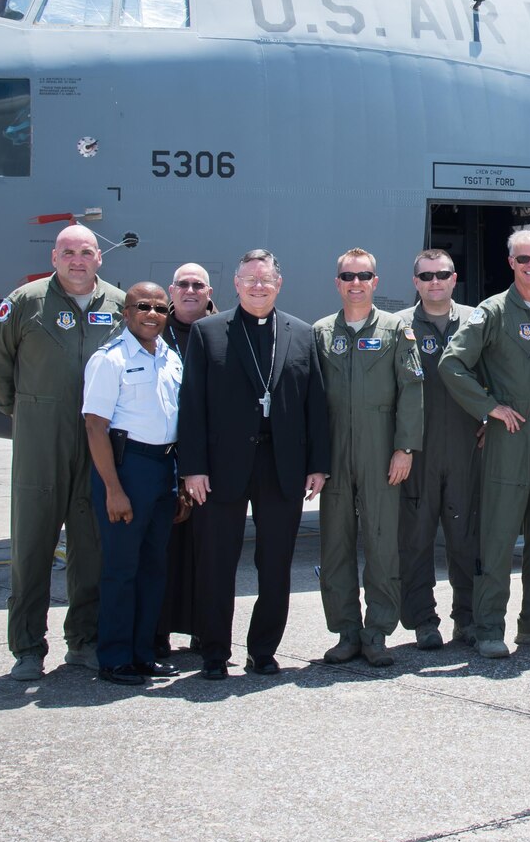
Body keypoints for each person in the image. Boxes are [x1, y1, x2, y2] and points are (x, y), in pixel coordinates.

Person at [0, 224, 124, 681]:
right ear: (54, 257)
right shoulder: (26, 302)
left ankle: (83, 641)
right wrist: (23, 410)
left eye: (86, 251)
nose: (77, 260)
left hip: (98, 441)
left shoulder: (119, 305)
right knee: (31, 545)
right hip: (41, 440)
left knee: (91, 546)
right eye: (68, 252)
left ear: (99, 257)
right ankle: (26, 647)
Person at [177, 250, 330, 680]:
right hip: (220, 466)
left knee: (276, 562)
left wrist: (318, 464)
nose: (258, 286)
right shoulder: (208, 333)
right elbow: (191, 406)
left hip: (281, 465)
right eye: (250, 280)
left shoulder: (301, 334)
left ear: (279, 284)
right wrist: (192, 467)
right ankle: (213, 652)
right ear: (236, 284)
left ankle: (263, 650)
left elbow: (315, 405)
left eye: (266, 280)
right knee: (216, 562)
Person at [438, 228, 530, 659]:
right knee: (497, 536)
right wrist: (489, 408)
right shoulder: (491, 312)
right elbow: (452, 363)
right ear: (510, 263)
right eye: (522, 259)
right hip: (510, 440)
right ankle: (489, 626)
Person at [313, 249, 424, 666]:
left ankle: (377, 632)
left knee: (382, 543)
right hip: (335, 447)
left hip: (382, 448)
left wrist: (405, 447)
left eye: (364, 275)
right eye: (347, 275)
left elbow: (412, 390)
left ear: (376, 281)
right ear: (337, 282)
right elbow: (311, 401)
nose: (355, 283)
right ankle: (346, 631)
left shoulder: (398, 330)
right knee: (335, 544)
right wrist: (315, 460)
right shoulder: (322, 332)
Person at [81, 282, 182, 685]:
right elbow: (94, 426)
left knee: (153, 568)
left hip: (163, 468)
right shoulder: (110, 360)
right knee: (121, 569)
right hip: (126, 468)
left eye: (160, 307)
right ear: (126, 312)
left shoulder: (170, 358)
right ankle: (115, 657)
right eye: (143, 306)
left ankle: (142, 653)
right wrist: (113, 488)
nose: (152, 314)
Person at [398, 249, 483, 649]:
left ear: (454, 278)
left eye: (442, 274)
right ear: (415, 281)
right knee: (415, 539)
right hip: (418, 451)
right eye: (426, 275)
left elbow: (496, 374)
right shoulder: (398, 326)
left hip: (466, 446)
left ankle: (467, 618)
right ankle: (423, 622)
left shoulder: (477, 320)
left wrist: (490, 420)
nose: (435, 281)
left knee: (466, 539)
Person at [154, 263, 214, 661]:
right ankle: (156, 635)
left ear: (209, 292)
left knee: (206, 550)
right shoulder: (152, 333)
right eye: (183, 285)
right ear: (171, 291)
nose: (190, 291)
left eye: (198, 285)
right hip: (162, 455)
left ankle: (203, 632)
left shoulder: (224, 331)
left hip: (210, 458)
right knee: (162, 549)